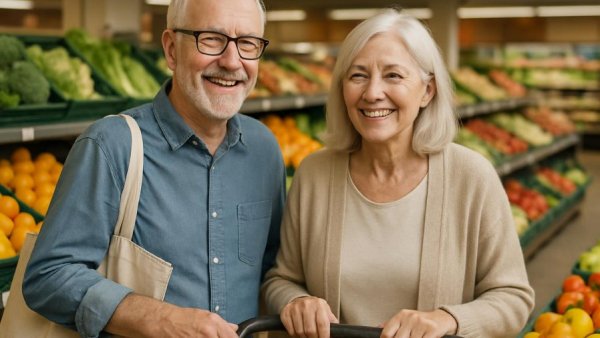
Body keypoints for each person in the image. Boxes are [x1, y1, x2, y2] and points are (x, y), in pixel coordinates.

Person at [262, 8, 534, 338]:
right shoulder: (314, 175)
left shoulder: (472, 177)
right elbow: (281, 279)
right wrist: (297, 301)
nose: (373, 92)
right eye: (358, 75)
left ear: (428, 91)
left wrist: (446, 319)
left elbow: (514, 298)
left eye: (393, 75)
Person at [22, 0, 285, 337]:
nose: (232, 61)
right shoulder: (112, 145)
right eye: (211, 39)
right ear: (172, 50)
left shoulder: (264, 150)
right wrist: (157, 318)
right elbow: (48, 276)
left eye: (248, 43)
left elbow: (272, 268)